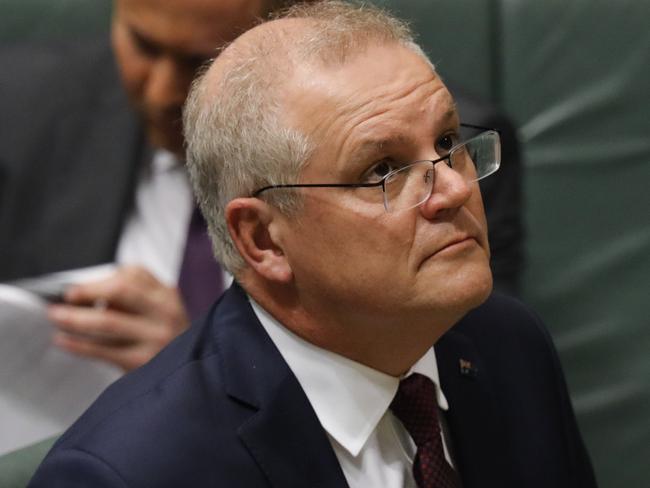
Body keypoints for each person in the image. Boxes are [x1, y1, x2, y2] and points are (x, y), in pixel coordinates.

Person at [29, 2, 596, 487]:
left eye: (448, 140)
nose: (451, 187)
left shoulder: (508, 345)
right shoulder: (130, 472)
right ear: (263, 238)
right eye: (383, 171)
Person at [0, 0, 298, 371]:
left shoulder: (361, 166)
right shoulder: (16, 110)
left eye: (200, 63)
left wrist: (199, 370)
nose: (160, 94)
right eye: (144, 45)